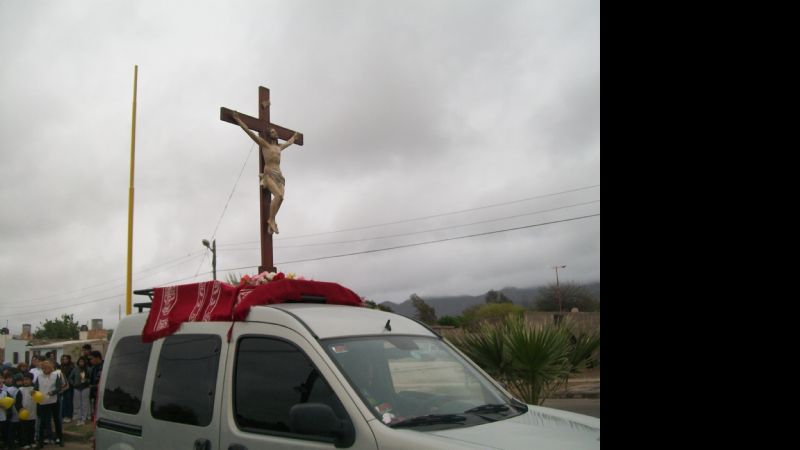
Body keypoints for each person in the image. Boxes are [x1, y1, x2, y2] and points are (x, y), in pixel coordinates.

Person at [232, 110, 299, 235]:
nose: (276, 133)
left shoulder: (279, 147)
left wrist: (294, 137)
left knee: (281, 199)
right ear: (269, 135)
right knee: (278, 196)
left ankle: (271, 220)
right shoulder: (265, 145)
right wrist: (238, 120)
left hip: (279, 176)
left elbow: (289, 142)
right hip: (269, 174)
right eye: (273, 132)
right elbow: (250, 133)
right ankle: (271, 220)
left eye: (275, 131)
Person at [34, 361, 64, 448]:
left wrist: (53, 392)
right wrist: (34, 392)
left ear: (50, 368)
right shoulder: (39, 376)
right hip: (43, 401)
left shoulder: (55, 376)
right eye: (43, 368)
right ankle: (41, 441)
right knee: (42, 421)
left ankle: (60, 438)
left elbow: (59, 387)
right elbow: (36, 387)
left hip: (53, 401)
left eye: (46, 368)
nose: (44, 370)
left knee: (56, 420)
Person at [16, 373, 37, 449]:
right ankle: (24, 443)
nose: (25, 381)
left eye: (27, 379)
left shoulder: (34, 389)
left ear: (31, 380)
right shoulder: (20, 390)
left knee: (31, 428)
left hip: (32, 412)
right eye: (24, 380)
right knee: (23, 429)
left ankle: (31, 441)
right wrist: (20, 409)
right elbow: (18, 402)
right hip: (23, 413)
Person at [69, 357, 91, 426]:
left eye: (82, 361)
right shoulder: (75, 369)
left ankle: (84, 419)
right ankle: (78, 419)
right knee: (77, 404)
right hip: (76, 388)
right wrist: (73, 384)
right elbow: (70, 378)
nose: (81, 363)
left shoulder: (88, 369)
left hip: (85, 388)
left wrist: (86, 380)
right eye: (80, 361)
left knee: (84, 404)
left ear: (85, 362)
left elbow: (91, 379)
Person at [88, 351, 104, 421]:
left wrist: (92, 386)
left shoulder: (104, 366)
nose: (90, 361)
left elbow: (102, 382)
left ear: (97, 358)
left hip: (101, 393)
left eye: (91, 359)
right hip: (95, 393)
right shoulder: (94, 368)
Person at [59, 355, 74, 424]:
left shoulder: (71, 367)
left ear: (69, 359)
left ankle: (69, 416)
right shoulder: (61, 367)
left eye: (66, 359)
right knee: (63, 401)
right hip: (62, 386)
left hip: (69, 386)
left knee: (69, 401)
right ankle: (63, 415)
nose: (65, 360)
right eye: (63, 359)